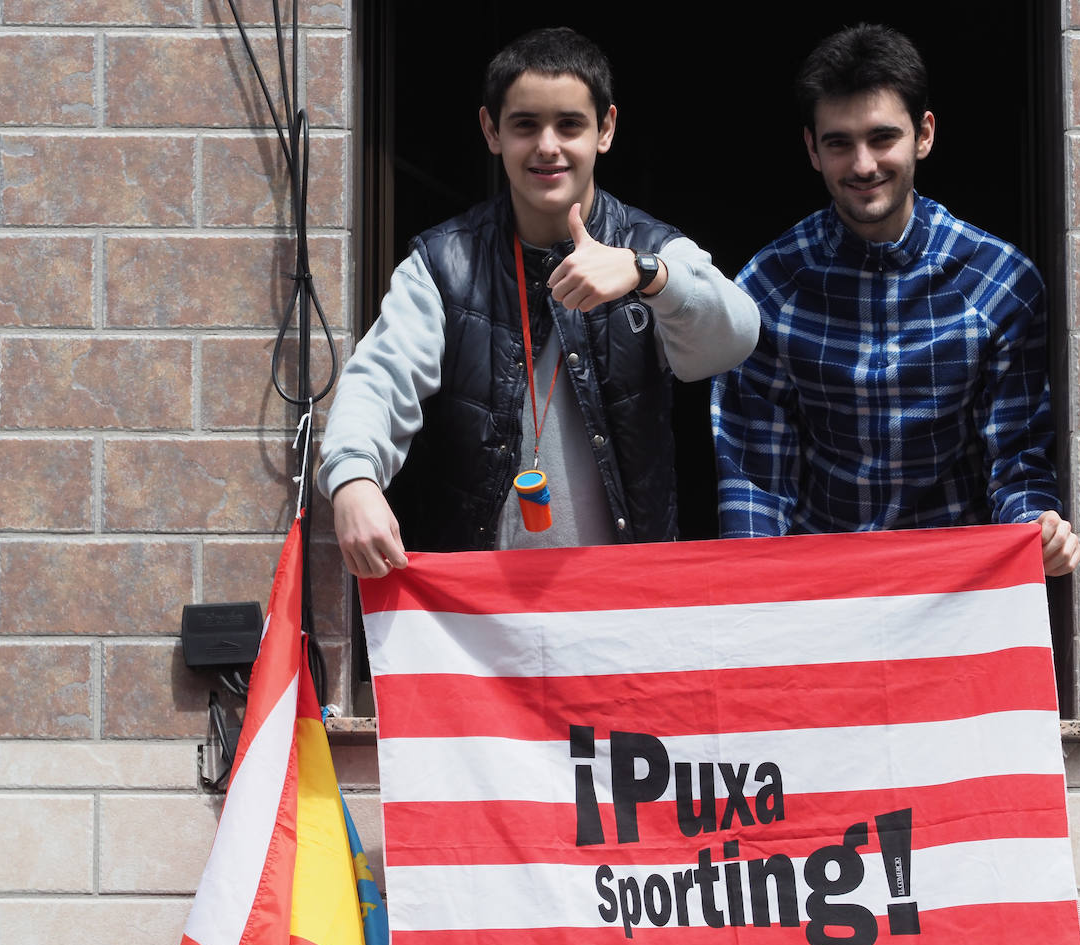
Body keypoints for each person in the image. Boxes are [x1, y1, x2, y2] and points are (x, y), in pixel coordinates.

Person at [320, 27, 759, 578]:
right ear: (491, 130)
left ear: (606, 129)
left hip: (622, 598)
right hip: (483, 608)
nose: (547, 146)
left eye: (569, 124)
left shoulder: (650, 248)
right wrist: (353, 477)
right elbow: (378, 378)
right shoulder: (443, 262)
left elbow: (737, 336)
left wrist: (648, 274)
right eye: (525, 124)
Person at [711, 24, 1080, 576]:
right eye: (839, 142)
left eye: (882, 137)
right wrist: (757, 596)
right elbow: (756, 482)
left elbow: (1018, 458)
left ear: (924, 134)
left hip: (957, 583)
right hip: (824, 581)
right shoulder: (765, 288)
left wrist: (1039, 531)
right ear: (812, 148)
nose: (863, 165)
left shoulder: (1000, 282)